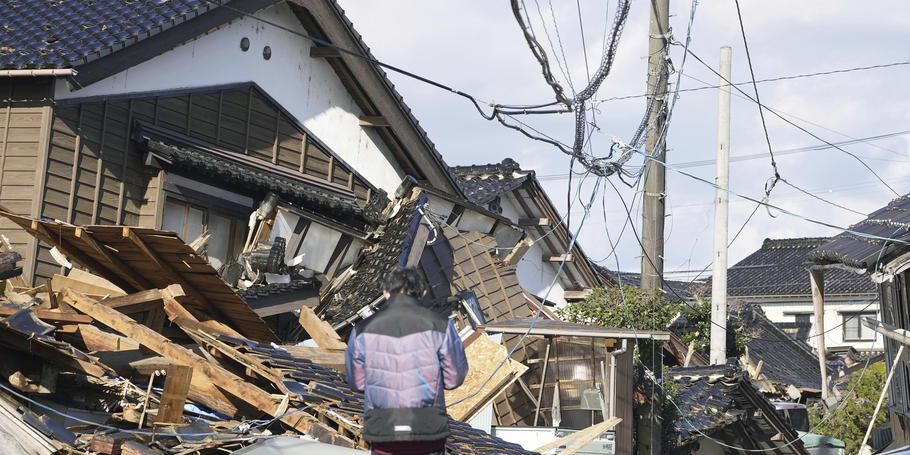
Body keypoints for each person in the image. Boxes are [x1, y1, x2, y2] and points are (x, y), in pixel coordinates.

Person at [346, 268, 469, 455]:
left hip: (384, 427)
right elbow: (454, 379)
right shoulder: (441, 325)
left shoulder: (362, 329)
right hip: (427, 426)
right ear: (423, 292)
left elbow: (357, 382)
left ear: (386, 292)